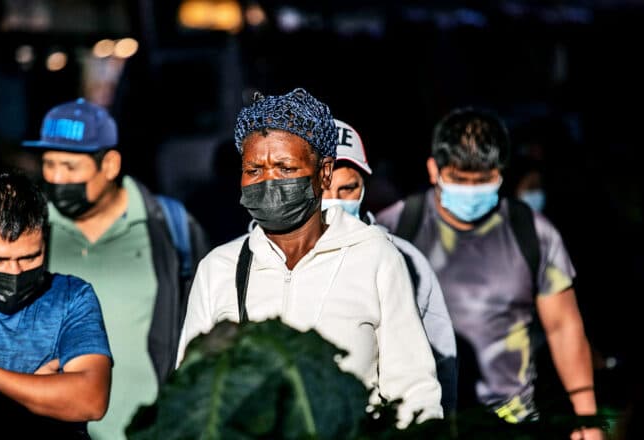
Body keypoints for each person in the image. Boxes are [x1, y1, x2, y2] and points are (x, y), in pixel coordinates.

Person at [177, 88, 443, 429]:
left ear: (324, 173)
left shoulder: (375, 256)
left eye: (285, 168)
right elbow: (189, 391)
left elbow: (414, 391)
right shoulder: (219, 268)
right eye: (254, 170)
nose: (268, 181)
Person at [375, 107, 602, 439]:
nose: (470, 190)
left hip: (513, 423)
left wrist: (587, 420)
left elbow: (563, 326)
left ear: (500, 174)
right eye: (459, 179)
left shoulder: (532, 232)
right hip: (422, 423)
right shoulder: (394, 228)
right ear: (433, 169)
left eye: (481, 181)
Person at [22, 97, 211, 439]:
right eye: (49, 165)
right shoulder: (29, 233)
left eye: (70, 166)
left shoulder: (171, 228)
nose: (56, 178)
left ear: (109, 164)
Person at [0, 170, 113, 435]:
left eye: (30, 257)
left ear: (45, 242)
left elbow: (90, 399)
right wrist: (39, 392)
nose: (15, 272)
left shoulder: (72, 297)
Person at [322, 118, 458, 415]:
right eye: (322, 188)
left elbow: (440, 361)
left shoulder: (403, 258)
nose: (332, 201)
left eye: (347, 188)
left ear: (364, 188)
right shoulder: (255, 258)